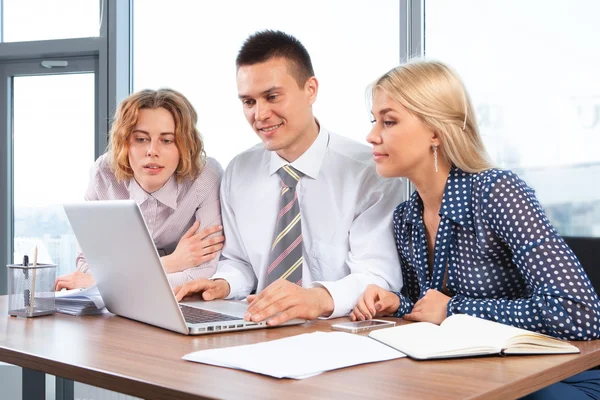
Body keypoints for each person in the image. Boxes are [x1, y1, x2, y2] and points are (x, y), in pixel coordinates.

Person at [352, 60, 600, 399]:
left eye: (389, 121)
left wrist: (455, 309)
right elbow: (429, 308)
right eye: (374, 120)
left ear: (436, 132)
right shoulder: (405, 217)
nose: (371, 135)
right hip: (474, 374)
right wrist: (396, 303)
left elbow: (578, 313)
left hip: (553, 377)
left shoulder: (497, 192)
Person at [174, 30, 404, 325]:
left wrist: (318, 299)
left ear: (311, 90)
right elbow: (240, 262)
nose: (260, 114)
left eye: (272, 97)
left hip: (336, 332)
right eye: (248, 102)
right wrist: (223, 284)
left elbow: (379, 275)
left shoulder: (369, 171)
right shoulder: (239, 170)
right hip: (257, 327)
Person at [55, 88, 225, 290]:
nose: (152, 151)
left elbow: (201, 274)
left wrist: (105, 281)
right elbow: (86, 264)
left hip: (186, 306)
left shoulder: (204, 176)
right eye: (141, 139)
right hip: (116, 311)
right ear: (124, 142)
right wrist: (172, 263)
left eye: (167, 140)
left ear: (185, 145)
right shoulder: (104, 175)